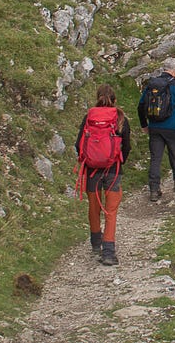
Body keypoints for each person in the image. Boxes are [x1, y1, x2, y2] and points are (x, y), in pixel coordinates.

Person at [76, 85, 132, 266]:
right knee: (111, 211)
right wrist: (119, 161)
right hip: (113, 170)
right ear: (114, 100)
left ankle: (95, 242)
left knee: (93, 207)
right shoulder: (120, 118)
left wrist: (89, 158)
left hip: (91, 169)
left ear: (97, 98)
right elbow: (127, 146)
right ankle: (108, 252)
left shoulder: (89, 118)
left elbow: (79, 144)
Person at [139, 57, 175, 202]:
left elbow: (141, 106)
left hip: (154, 127)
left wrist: (144, 125)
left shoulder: (152, 84)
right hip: (172, 127)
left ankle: (154, 189)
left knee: (156, 157)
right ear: (174, 70)